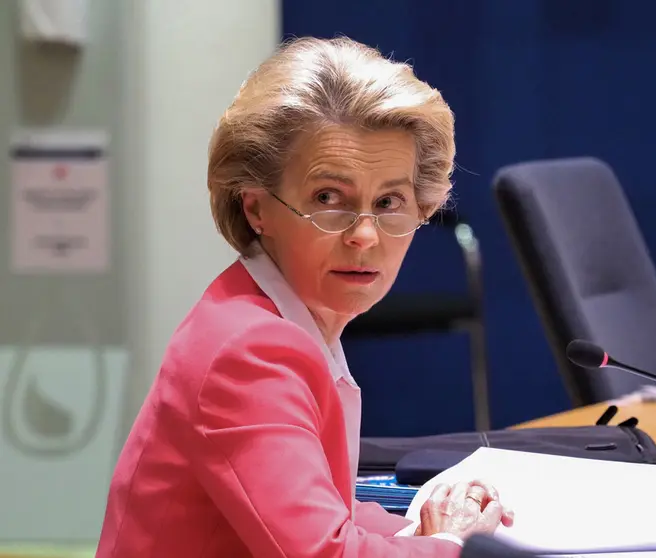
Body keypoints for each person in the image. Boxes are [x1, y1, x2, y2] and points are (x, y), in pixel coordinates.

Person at [94, 36, 514, 557]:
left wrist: (428, 527)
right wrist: (455, 545)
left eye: (389, 201)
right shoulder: (248, 353)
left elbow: (322, 507)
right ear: (256, 209)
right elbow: (324, 552)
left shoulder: (275, 315)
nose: (365, 235)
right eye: (328, 199)